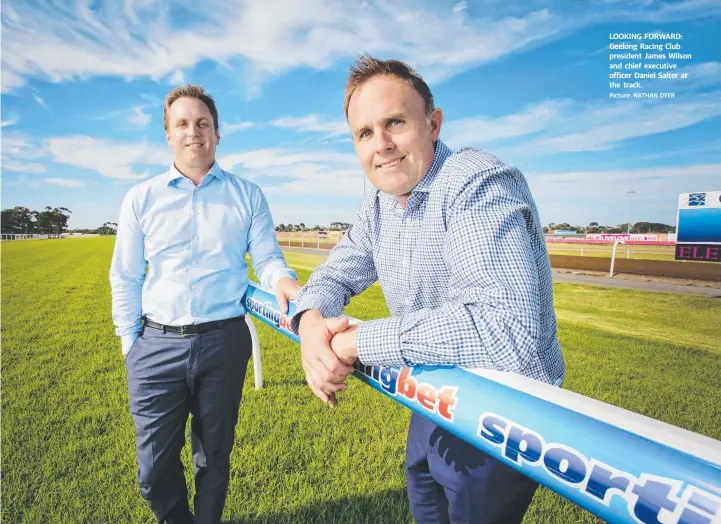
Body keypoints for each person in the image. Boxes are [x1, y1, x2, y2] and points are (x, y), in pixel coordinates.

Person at [291, 56, 565, 524]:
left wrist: (356, 342)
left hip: (500, 413)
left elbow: (507, 331)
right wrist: (312, 323)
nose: (382, 146)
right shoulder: (380, 203)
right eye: (364, 133)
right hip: (431, 395)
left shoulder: (473, 182)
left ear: (432, 124)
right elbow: (333, 275)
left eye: (394, 122)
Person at [110, 84, 299, 524]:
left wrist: (284, 280)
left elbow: (268, 257)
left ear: (216, 132)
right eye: (182, 123)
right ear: (168, 135)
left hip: (223, 342)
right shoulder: (141, 198)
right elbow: (126, 274)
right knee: (153, 471)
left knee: (214, 458)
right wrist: (130, 345)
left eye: (202, 123)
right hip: (155, 345)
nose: (193, 131)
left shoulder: (247, 194)